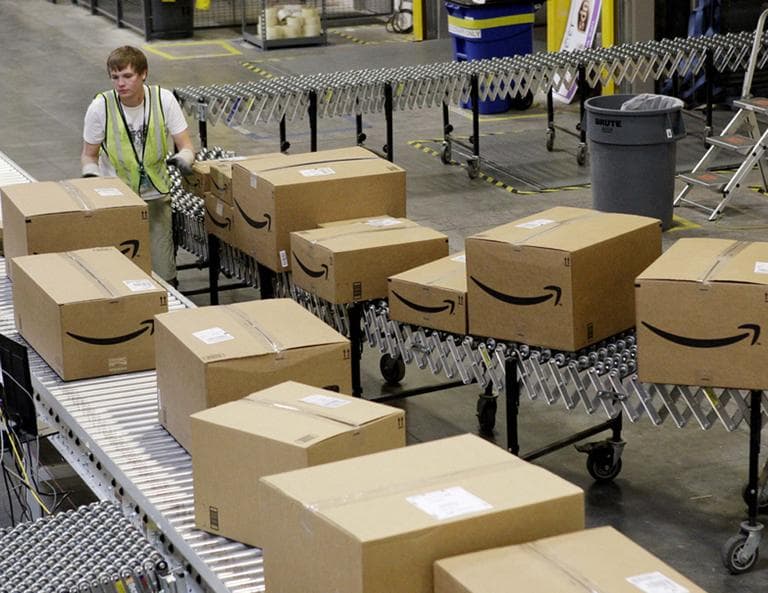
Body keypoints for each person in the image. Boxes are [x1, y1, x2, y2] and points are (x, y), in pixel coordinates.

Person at [81, 45, 194, 286]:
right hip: (117, 201)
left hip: (156, 197)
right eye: (115, 77)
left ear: (143, 74)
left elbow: (186, 145)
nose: (120, 83)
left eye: (127, 76)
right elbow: (89, 155)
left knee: (165, 274)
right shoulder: (101, 106)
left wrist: (184, 158)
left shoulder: (163, 100)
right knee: (121, 272)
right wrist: (91, 175)